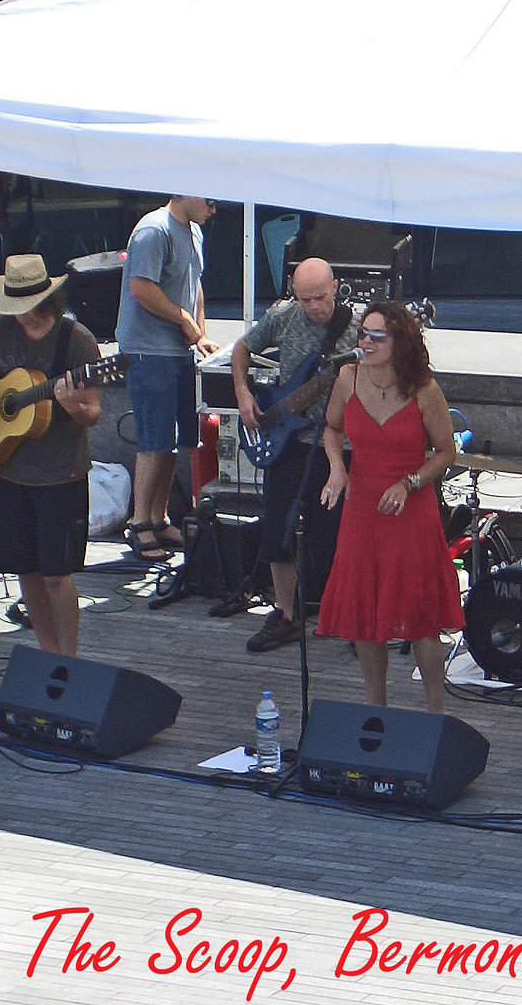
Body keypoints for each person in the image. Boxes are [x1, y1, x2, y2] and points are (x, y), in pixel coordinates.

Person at [0, 254, 103, 656]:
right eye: (13, 309)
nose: (20, 318)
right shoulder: (0, 330)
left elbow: (93, 414)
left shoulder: (77, 341)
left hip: (60, 476)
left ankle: (69, 659)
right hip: (11, 470)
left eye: (27, 310)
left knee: (56, 575)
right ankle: (47, 653)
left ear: (47, 301)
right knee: (26, 572)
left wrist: (69, 404)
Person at [317, 301, 462, 712]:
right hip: (362, 505)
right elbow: (331, 427)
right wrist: (336, 469)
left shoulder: (425, 389)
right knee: (365, 614)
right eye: (363, 333)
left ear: (400, 342)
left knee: (421, 617)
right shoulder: (348, 376)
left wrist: (410, 482)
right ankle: (374, 709)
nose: (366, 341)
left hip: (410, 508)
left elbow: (446, 452)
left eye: (377, 336)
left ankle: (435, 712)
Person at [231, 257, 360, 653]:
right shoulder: (285, 316)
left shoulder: (359, 329)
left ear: (336, 288)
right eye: (305, 299)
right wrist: (243, 393)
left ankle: (348, 616)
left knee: (335, 532)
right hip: (287, 440)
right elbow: (242, 348)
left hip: (335, 443)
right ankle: (285, 613)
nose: (313, 307)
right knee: (276, 529)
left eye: (320, 298)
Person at [116, 194, 219, 560]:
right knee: (154, 440)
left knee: (176, 440)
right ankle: (139, 522)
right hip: (148, 351)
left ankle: (159, 519)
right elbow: (141, 288)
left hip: (180, 352)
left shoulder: (194, 231)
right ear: (185, 191)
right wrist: (183, 320)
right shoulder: (152, 231)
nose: (213, 209)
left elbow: (195, 286)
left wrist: (201, 333)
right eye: (209, 200)